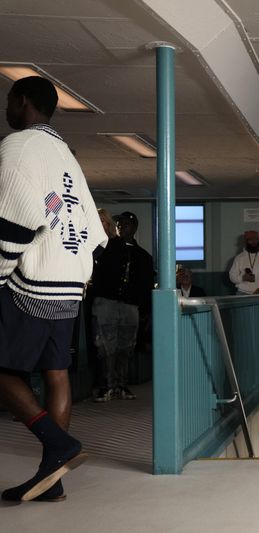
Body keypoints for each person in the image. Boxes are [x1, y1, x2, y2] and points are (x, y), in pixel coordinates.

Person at [0, 76, 107, 502]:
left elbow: (14, 222)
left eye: (9, 99)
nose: (7, 106)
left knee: (4, 373)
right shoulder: (65, 153)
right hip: (70, 282)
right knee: (56, 372)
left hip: (34, 280)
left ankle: (59, 446)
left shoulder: (18, 146)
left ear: (21, 101)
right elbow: (95, 231)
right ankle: (53, 478)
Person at [90, 211, 154, 402]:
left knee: (126, 347)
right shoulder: (106, 249)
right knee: (104, 346)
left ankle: (120, 384)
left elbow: (146, 286)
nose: (120, 227)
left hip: (130, 306)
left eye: (125, 224)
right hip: (106, 303)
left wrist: (143, 310)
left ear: (133, 227)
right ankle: (106, 386)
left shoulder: (143, 256)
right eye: (118, 224)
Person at [229, 230, 259, 295]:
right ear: (246, 242)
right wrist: (243, 278)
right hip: (243, 292)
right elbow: (232, 276)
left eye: (256, 240)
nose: (254, 242)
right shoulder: (239, 258)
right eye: (251, 240)